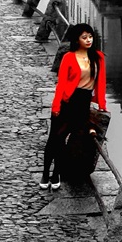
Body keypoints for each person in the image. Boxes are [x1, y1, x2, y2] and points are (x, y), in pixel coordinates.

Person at [40, 23, 107, 190]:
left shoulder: (98, 57)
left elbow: (101, 82)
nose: (88, 40)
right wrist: (56, 106)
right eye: (84, 37)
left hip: (83, 104)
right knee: (55, 139)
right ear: (77, 40)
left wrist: (102, 104)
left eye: (90, 37)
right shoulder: (69, 57)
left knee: (66, 139)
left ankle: (56, 173)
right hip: (68, 101)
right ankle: (45, 172)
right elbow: (61, 84)